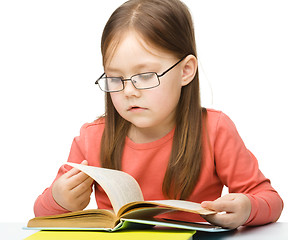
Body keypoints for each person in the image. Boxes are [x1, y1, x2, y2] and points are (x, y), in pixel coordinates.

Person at [33, 0, 283, 229]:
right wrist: (59, 199)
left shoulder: (215, 129)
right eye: (115, 78)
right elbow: (40, 215)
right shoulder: (92, 137)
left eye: (144, 76)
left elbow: (270, 200)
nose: (129, 91)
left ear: (185, 71)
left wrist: (247, 209)